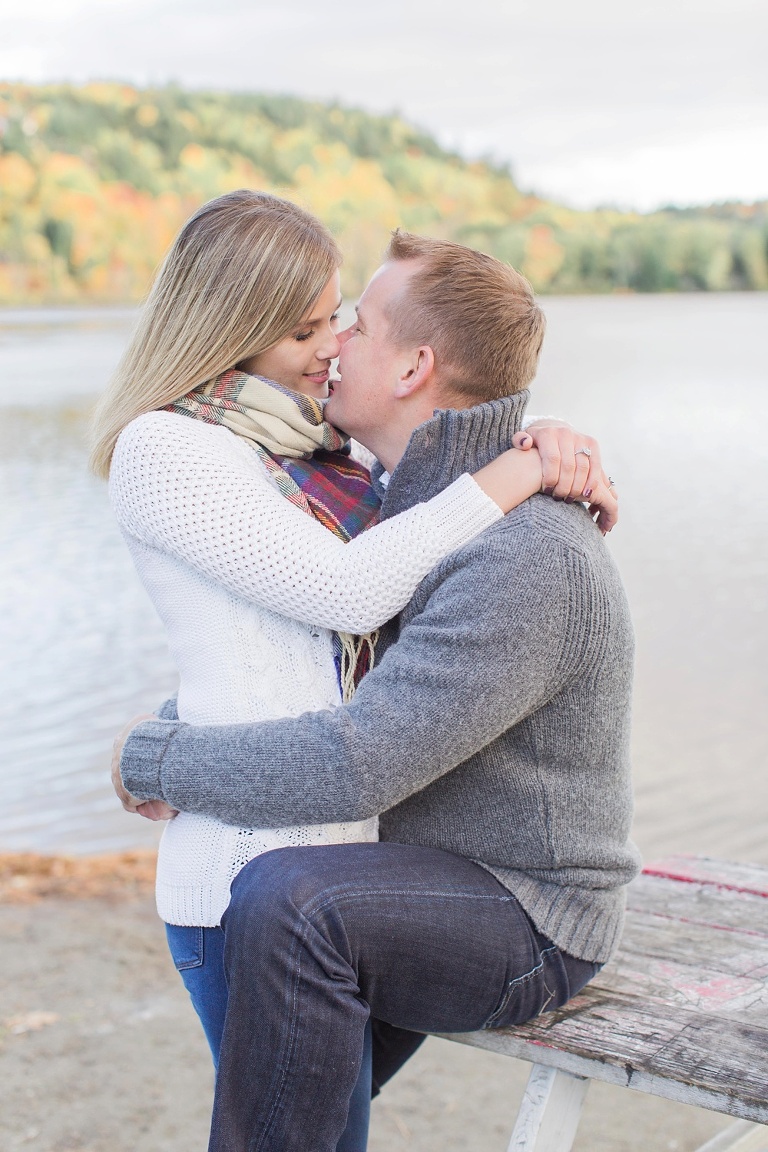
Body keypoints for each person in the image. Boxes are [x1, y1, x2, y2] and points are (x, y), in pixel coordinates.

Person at [93, 193, 614, 1150]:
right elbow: (322, 617)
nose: (334, 343)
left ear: (414, 365)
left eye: (348, 321)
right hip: (269, 876)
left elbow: (330, 667)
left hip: (390, 883)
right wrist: (517, 460)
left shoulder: (351, 478)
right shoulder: (200, 453)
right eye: (311, 324)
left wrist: (537, 437)